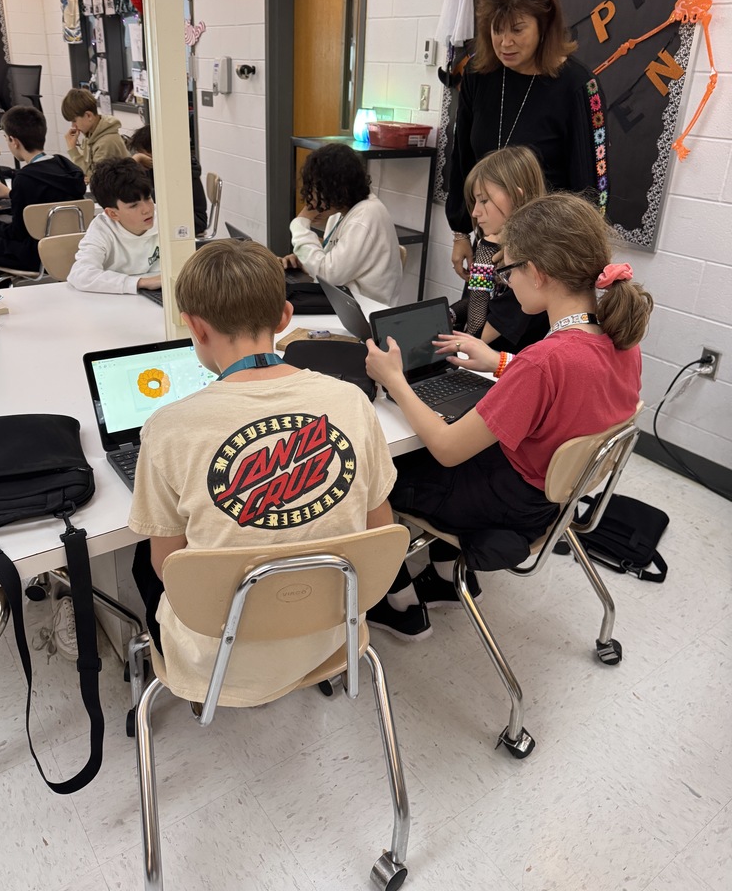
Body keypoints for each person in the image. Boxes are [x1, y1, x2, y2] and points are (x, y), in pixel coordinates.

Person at [364, 193, 652, 640]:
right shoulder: (619, 338)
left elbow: (446, 448)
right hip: (551, 499)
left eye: (509, 270)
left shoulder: (544, 361)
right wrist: (498, 362)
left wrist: (396, 380)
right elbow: (572, 384)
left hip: (508, 505)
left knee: (377, 467)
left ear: (537, 273)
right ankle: (444, 578)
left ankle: (396, 599)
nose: (507, 281)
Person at [128, 239, 397, 707]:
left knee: (140, 556)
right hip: (333, 635)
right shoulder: (352, 402)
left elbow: (166, 570)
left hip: (216, 659)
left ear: (194, 325)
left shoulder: (167, 428)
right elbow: (380, 531)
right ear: (285, 318)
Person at [447, 0, 609, 282]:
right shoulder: (480, 75)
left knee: (519, 331)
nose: (505, 42)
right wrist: (461, 231)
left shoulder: (578, 86)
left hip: (546, 259)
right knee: (474, 325)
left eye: (517, 30)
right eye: (496, 29)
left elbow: (592, 191)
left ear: (544, 25)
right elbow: (462, 157)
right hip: (488, 242)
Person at [450, 145, 548, 352]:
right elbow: (479, 302)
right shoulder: (498, 244)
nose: (475, 212)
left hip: (502, 371)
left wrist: (485, 253)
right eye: (474, 201)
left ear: (517, 197)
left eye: (484, 201)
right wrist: (448, 315)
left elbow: (477, 333)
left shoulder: (528, 267)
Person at [0, 105, 85, 272]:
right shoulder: (66, 167)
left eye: (6, 138)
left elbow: (16, 234)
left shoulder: (25, 178)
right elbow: (47, 196)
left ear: (14, 141)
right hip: (70, 249)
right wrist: (11, 194)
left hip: (33, 256)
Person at [284, 142, 403, 305]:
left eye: (316, 188)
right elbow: (329, 263)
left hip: (368, 312)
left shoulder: (365, 217)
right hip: (346, 303)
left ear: (338, 188)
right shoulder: (340, 214)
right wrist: (304, 261)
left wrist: (300, 222)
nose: (311, 197)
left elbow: (328, 275)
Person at [67, 158, 160, 294]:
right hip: (113, 302)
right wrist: (141, 283)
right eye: (134, 205)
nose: (147, 209)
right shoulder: (102, 229)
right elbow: (81, 274)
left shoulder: (164, 219)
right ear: (112, 214)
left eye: (148, 198)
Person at [126, 124, 208, 236]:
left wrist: (135, 161)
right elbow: (124, 183)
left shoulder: (180, 170)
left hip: (192, 222)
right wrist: (135, 161)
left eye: (142, 154)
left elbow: (156, 200)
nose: (142, 157)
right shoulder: (153, 167)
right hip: (170, 219)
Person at [60, 87, 129, 180]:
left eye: (74, 121)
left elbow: (96, 180)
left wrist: (73, 150)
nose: (73, 126)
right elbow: (87, 173)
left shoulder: (106, 142)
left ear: (89, 116)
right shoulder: (90, 135)